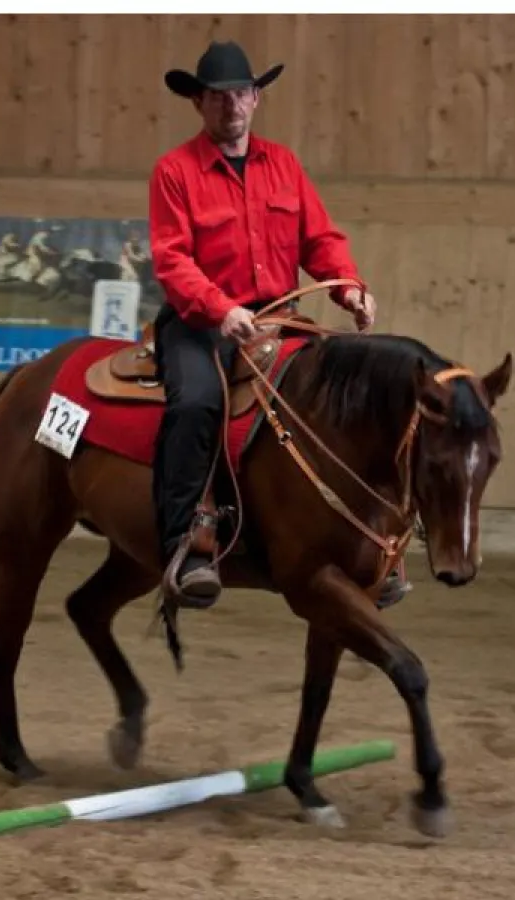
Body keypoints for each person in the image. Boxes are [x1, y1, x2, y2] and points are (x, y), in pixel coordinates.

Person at [148, 40, 411, 610]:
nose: (231, 106)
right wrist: (223, 310)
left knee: (346, 390)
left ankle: (369, 545)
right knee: (195, 402)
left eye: (240, 94)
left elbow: (320, 239)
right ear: (199, 104)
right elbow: (172, 260)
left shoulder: (284, 164)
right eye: (217, 97)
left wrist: (348, 287)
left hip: (281, 317)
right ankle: (186, 542)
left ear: (256, 98)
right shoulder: (175, 171)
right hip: (202, 324)